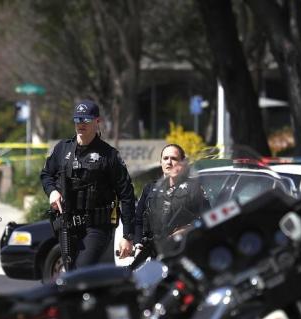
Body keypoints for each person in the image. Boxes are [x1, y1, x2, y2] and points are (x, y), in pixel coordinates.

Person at [40, 99, 135, 270]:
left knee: (81, 269)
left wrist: (128, 235)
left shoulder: (109, 155)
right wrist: (52, 191)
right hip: (67, 224)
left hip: (97, 226)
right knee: (70, 273)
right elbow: (46, 174)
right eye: (77, 120)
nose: (80, 124)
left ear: (97, 121)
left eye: (86, 120)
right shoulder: (63, 149)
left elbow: (127, 195)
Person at [135, 143, 210, 257]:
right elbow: (138, 219)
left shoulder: (193, 188)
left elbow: (208, 218)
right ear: (161, 162)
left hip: (182, 250)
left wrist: (187, 229)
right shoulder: (150, 188)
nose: (169, 162)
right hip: (151, 249)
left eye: (174, 158)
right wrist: (137, 243)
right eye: (165, 158)